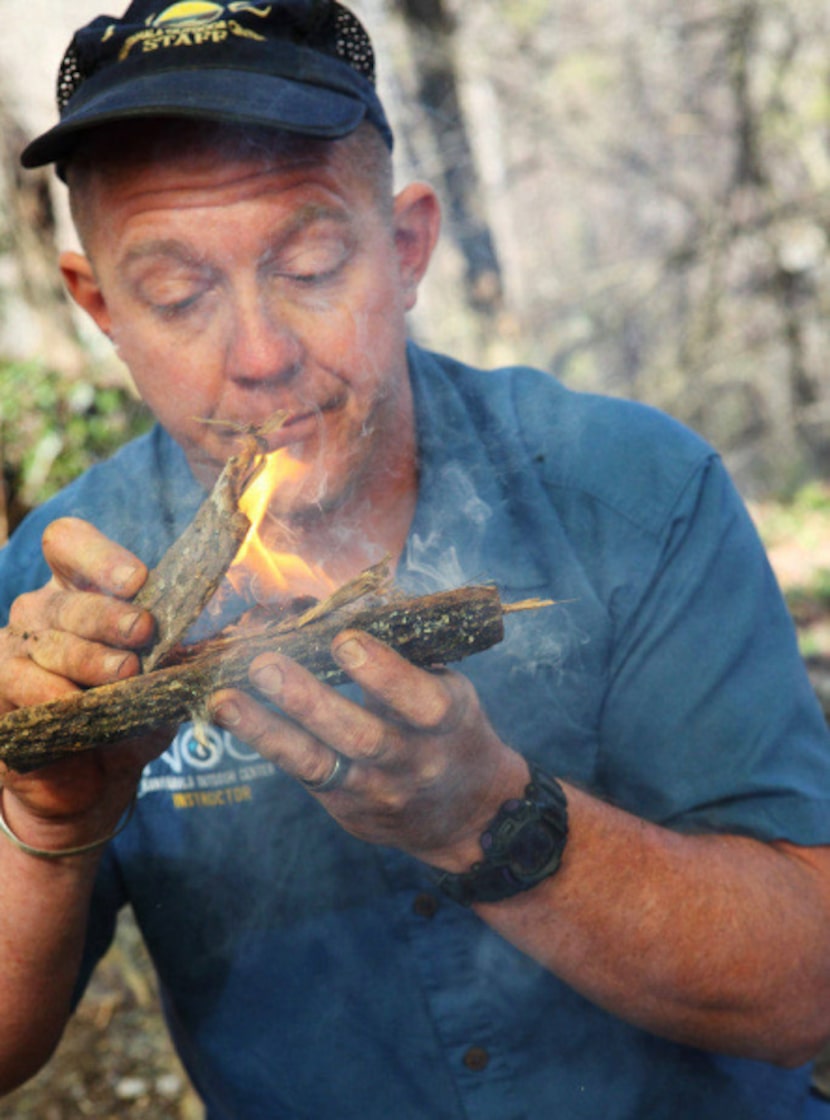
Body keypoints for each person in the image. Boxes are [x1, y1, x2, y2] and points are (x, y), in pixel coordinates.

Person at [2, 2, 830, 1116]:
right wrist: (48, 826)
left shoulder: (632, 494)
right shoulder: (65, 598)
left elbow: (806, 987)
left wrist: (486, 819)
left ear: (404, 249)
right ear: (99, 303)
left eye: (308, 263)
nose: (257, 357)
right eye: (177, 295)